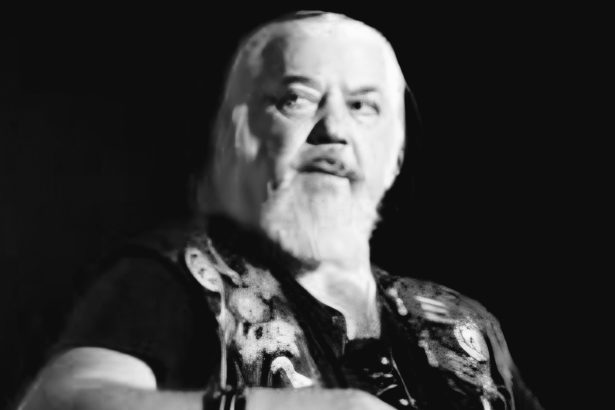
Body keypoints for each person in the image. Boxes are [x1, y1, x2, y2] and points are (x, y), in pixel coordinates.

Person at [18, 11, 543, 410]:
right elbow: (61, 401)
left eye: (363, 106)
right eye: (296, 99)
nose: (333, 130)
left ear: (397, 155)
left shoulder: (466, 325)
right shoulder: (180, 277)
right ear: (238, 134)